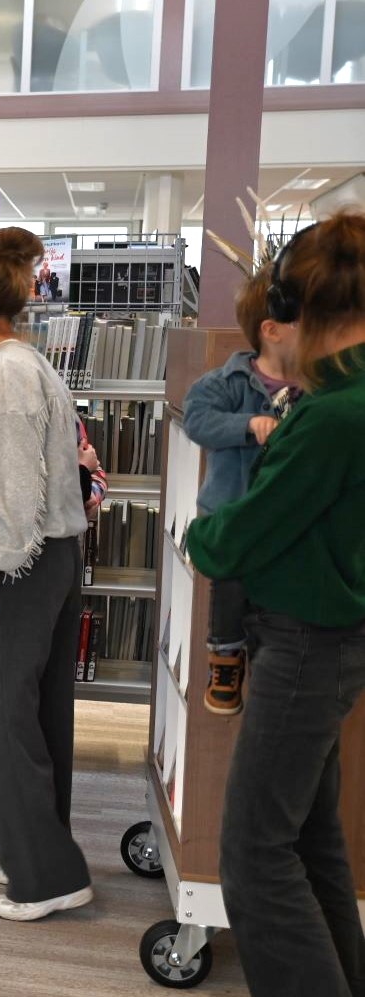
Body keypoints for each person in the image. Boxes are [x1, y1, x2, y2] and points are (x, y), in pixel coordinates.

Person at [185, 212, 365, 996]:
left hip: (303, 645)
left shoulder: (326, 416)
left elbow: (234, 539)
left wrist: (202, 533)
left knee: (254, 853)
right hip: (331, 642)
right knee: (310, 836)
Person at [0, 226, 93, 922]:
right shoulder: (25, 366)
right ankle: (29, 848)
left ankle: (45, 874)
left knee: (1, 718)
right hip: (49, 558)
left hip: (18, 567)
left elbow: (12, 500)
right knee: (35, 715)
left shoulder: (2, 377)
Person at [182, 268, 303, 716]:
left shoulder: (309, 387)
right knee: (229, 579)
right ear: (271, 331)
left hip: (281, 517)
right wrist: (248, 426)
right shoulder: (226, 381)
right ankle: (224, 654)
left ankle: (267, 656)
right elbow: (197, 420)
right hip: (231, 511)